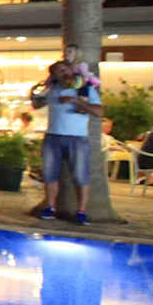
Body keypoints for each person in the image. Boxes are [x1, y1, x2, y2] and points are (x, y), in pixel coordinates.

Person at [34, 56, 102, 222]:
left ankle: (81, 211)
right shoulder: (52, 90)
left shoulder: (84, 88)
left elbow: (99, 112)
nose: (63, 73)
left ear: (71, 70)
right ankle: (50, 207)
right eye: (58, 72)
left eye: (64, 69)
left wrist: (77, 101)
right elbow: (36, 105)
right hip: (53, 136)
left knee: (80, 175)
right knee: (50, 173)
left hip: (77, 138)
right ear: (54, 76)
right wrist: (36, 92)